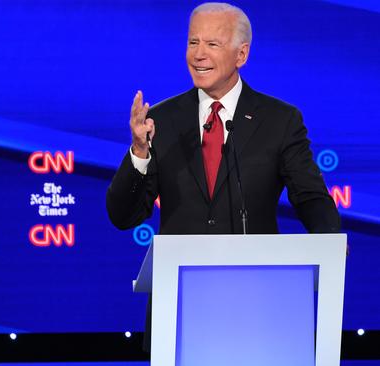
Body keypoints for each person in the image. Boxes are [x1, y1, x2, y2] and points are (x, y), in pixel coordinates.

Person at [105, 2, 340, 349]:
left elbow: (309, 195)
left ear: (241, 54)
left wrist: (329, 240)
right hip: (179, 311)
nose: (198, 55)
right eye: (192, 42)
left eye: (212, 45)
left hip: (259, 306)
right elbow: (123, 216)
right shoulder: (164, 120)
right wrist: (139, 151)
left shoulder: (279, 120)